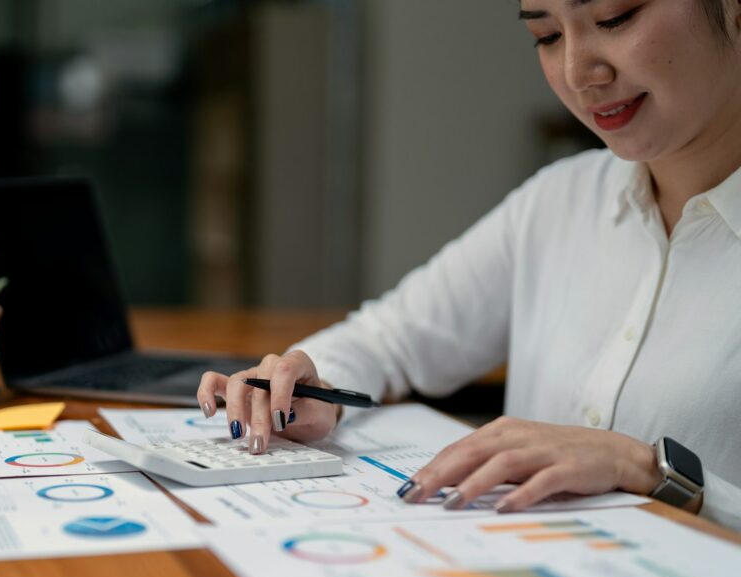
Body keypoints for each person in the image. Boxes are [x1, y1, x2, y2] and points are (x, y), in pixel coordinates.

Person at [196, 0, 741, 531]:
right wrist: (315, 389)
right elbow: (390, 338)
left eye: (614, 18)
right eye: (546, 36)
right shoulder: (562, 201)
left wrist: (650, 471)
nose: (577, 73)